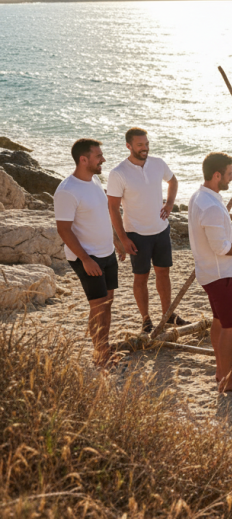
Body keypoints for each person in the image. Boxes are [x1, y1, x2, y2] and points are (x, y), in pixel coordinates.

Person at [188, 152, 232, 393]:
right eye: (229, 174)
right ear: (217, 175)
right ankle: (226, 379)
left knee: (219, 321)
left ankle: (222, 369)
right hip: (221, 275)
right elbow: (220, 247)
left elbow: (213, 234)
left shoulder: (201, 197)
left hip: (210, 272)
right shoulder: (210, 205)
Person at [106, 127, 185, 334]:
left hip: (160, 230)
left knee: (163, 273)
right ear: (129, 146)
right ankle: (146, 319)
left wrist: (169, 204)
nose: (145, 148)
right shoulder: (118, 173)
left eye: (147, 144)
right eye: (140, 145)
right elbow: (113, 208)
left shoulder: (158, 163)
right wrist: (122, 238)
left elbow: (173, 181)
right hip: (136, 234)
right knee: (141, 277)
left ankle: (167, 314)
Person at [55, 139, 124, 370]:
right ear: (83, 160)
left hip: (107, 253)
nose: (103, 159)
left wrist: (114, 239)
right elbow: (63, 230)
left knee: (108, 303)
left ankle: (103, 348)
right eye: (98, 156)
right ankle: (100, 357)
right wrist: (85, 259)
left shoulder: (94, 179)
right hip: (87, 257)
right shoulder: (67, 191)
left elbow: (100, 215)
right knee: (99, 306)